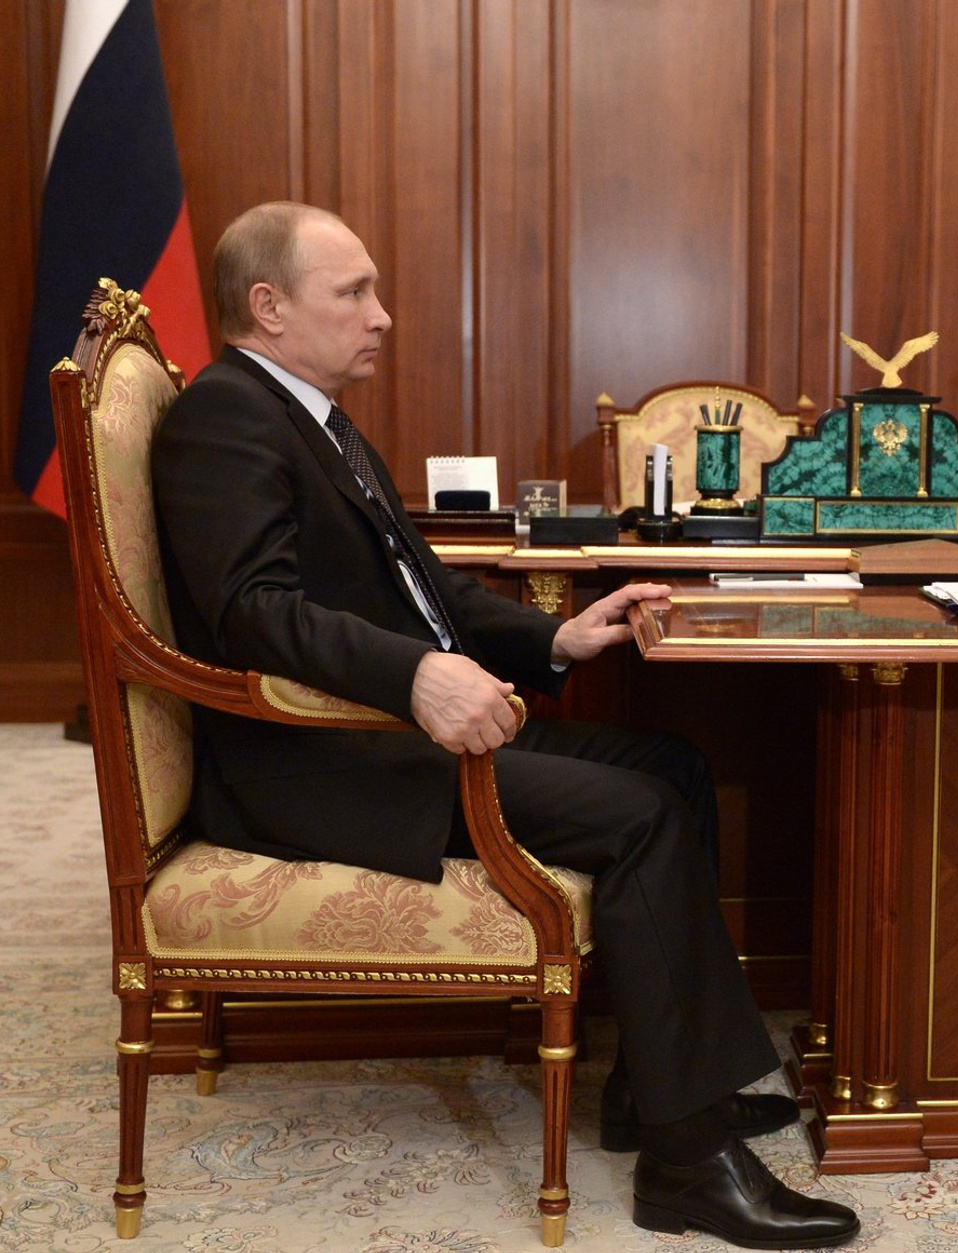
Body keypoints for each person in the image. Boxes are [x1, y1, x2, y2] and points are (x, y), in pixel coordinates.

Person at [150, 201, 858, 1249]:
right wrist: (415, 676)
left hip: (390, 734)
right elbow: (254, 609)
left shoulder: (311, 415)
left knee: (673, 767)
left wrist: (556, 639)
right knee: (639, 816)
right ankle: (687, 1160)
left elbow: (425, 590)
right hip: (321, 760)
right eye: (354, 291)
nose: (383, 314)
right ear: (269, 305)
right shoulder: (225, 417)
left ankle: (651, 1087)